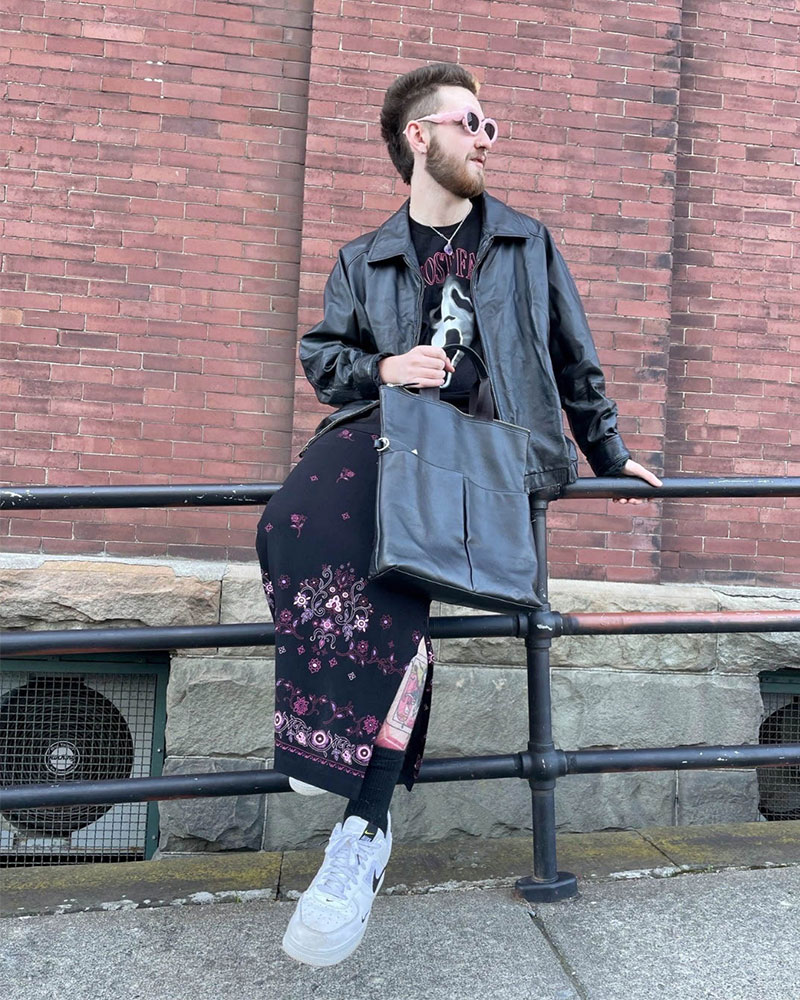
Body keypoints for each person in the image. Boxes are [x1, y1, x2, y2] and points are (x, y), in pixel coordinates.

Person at [255, 62, 662, 967]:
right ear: (419, 136)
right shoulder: (362, 258)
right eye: (472, 121)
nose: (488, 137)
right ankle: (341, 740)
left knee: (400, 575)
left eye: (492, 126)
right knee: (290, 521)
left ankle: (360, 827)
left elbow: (570, 346)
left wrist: (606, 449)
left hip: (492, 444)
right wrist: (384, 368)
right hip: (393, 428)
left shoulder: (524, 240)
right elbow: (325, 355)